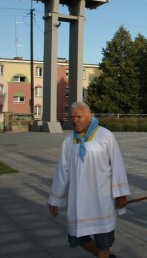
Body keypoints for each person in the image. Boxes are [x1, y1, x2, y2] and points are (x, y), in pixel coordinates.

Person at [48, 102, 130, 258]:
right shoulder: (69, 141)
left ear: (89, 116)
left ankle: (104, 254)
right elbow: (62, 172)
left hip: (101, 200)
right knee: (79, 239)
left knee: (103, 242)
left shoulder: (105, 136)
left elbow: (117, 165)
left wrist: (121, 194)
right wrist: (55, 199)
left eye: (79, 116)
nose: (75, 120)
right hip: (78, 202)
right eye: (72, 117)